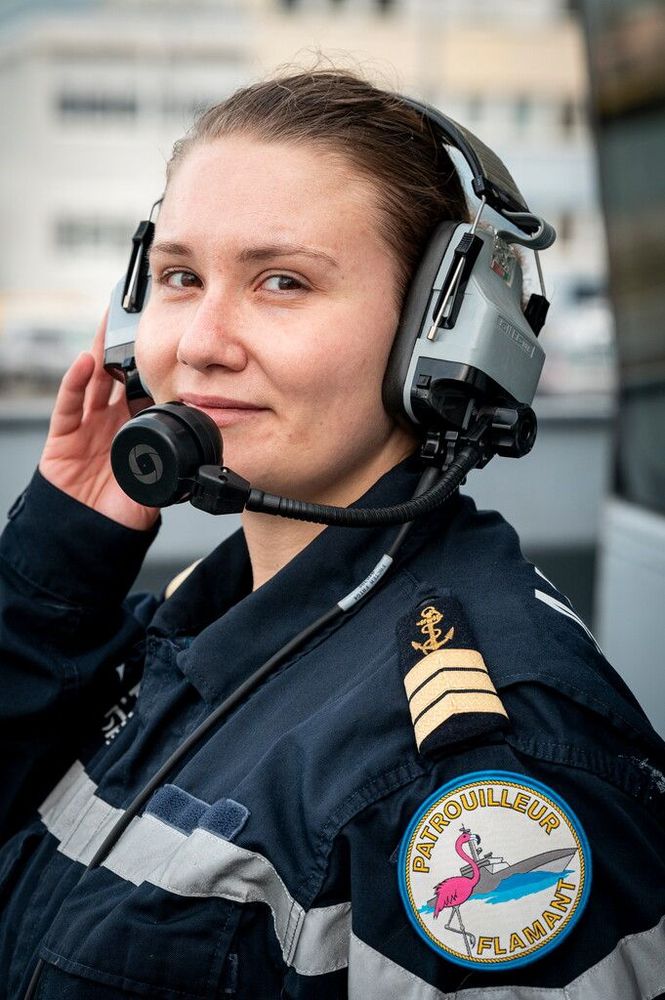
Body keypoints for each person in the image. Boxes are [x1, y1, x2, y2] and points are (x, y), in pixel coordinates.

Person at [1, 68, 664, 1000]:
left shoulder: (490, 764)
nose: (198, 341)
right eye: (181, 277)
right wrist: (55, 573)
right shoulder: (188, 622)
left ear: (447, 339)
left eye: (282, 281)